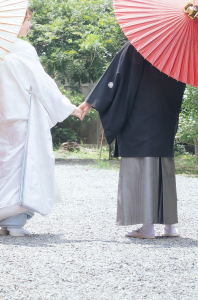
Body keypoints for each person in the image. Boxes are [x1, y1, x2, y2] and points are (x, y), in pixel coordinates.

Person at [0, 9, 83, 236]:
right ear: (16, 22)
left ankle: (5, 220)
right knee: (21, 165)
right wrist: (68, 107)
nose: (29, 26)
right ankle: (14, 222)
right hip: (20, 116)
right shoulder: (24, 49)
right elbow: (42, 84)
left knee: (4, 164)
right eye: (27, 21)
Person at [78, 41, 186, 239]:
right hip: (166, 116)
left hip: (142, 115)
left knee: (142, 165)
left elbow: (117, 76)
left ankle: (148, 227)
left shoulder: (142, 43)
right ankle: (170, 227)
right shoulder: (178, 47)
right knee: (163, 167)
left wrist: (91, 101)